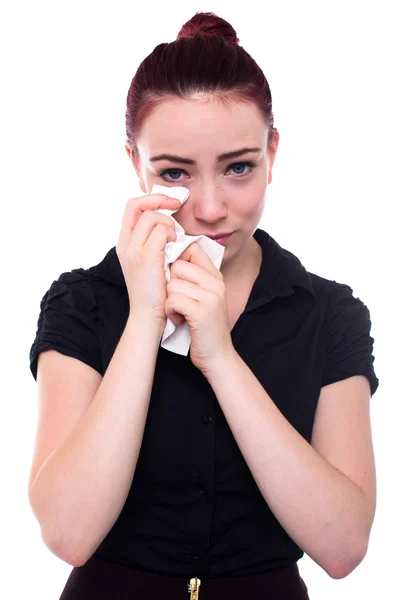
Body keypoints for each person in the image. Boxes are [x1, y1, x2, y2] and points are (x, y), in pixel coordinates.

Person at [27, 11, 379, 600]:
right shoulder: (82, 301)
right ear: (136, 165)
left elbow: (343, 548)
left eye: (239, 167)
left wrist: (220, 356)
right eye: (175, 173)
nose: (210, 208)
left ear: (273, 152)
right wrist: (144, 319)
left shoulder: (328, 312)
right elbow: (69, 534)